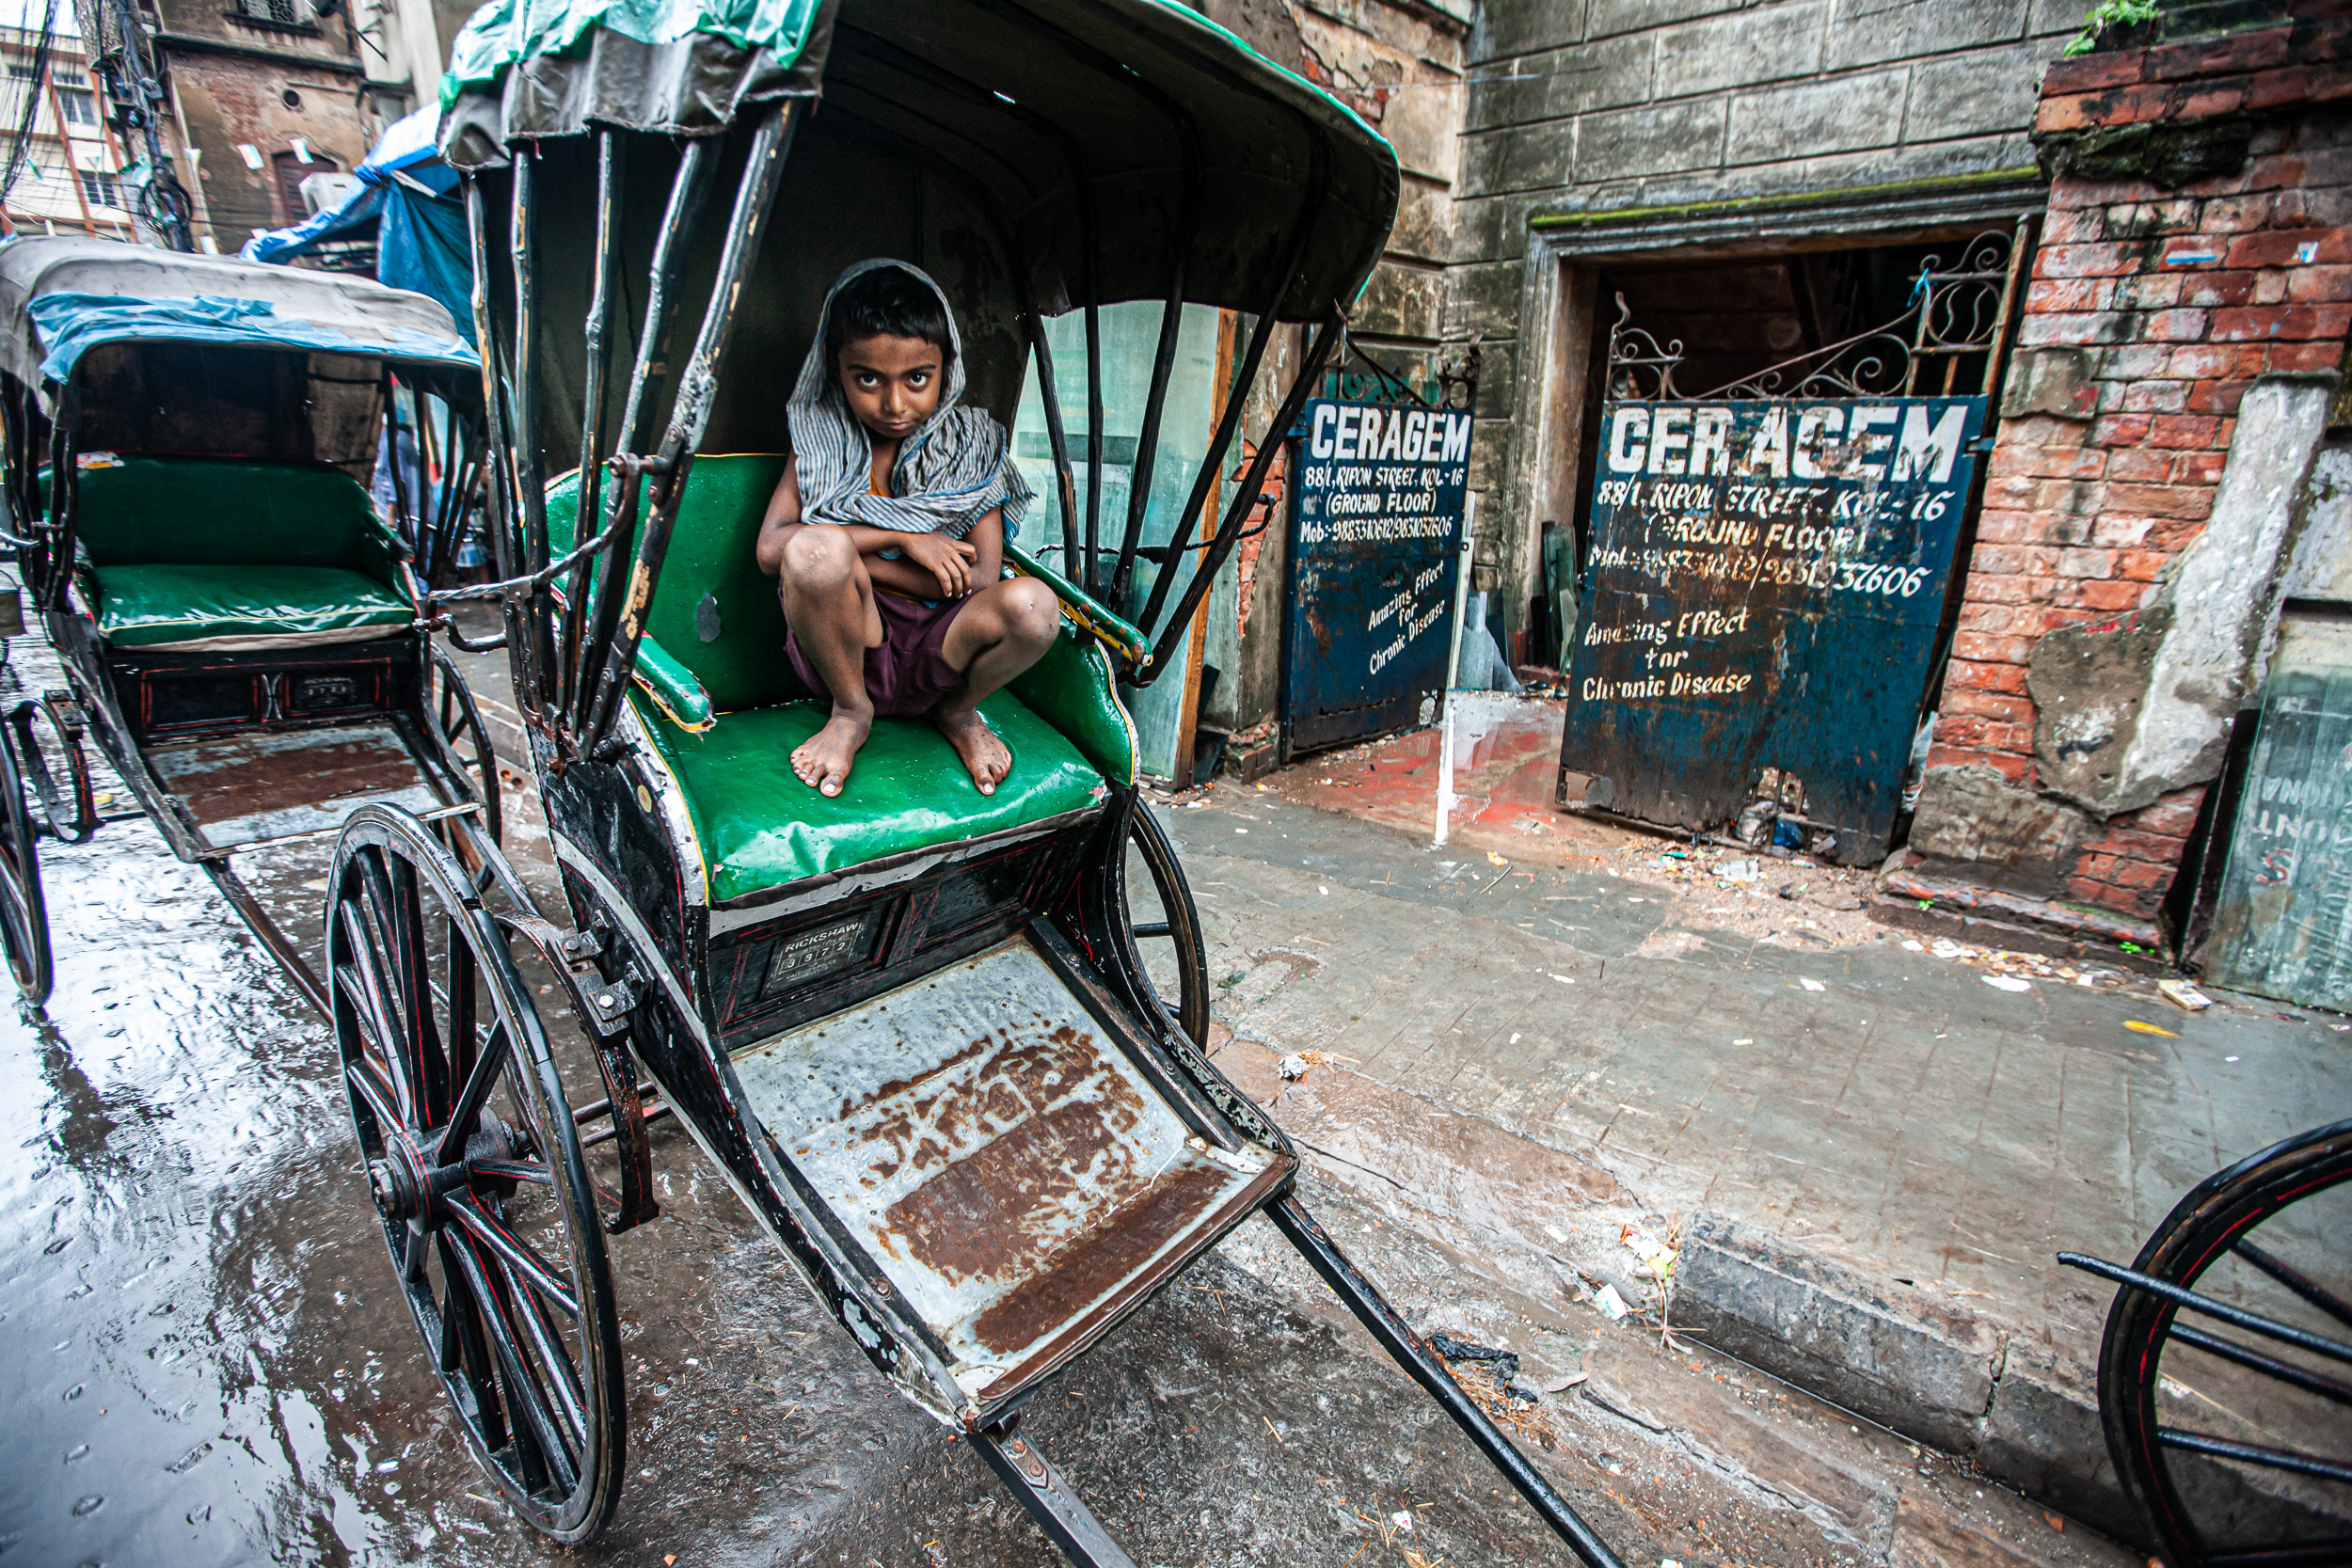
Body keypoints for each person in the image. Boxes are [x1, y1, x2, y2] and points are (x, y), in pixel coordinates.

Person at [755, 261, 1060, 799]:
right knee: (813, 552)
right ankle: (851, 713)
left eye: (917, 378)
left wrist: (859, 559)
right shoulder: (821, 443)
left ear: (947, 369)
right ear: (837, 370)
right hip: (846, 642)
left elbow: (981, 580)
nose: (895, 405)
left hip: (941, 650)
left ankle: (959, 711)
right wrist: (899, 539)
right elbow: (772, 550)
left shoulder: (969, 445)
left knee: (1035, 609)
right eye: (868, 379)